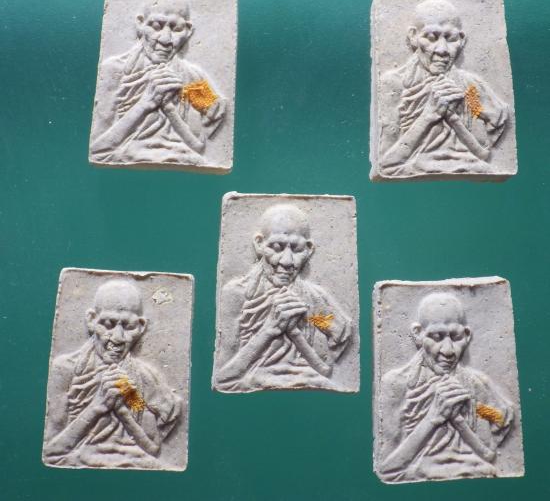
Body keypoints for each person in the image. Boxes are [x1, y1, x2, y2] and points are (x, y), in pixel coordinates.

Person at [43, 280, 181, 469]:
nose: (118, 337)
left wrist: (123, 409)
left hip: (134, 463)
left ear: (141, 327)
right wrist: (97, 406)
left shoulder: (139, 377)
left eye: (128, 326)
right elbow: (51, 451)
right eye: (108, 324)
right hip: (77, 461)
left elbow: (153, 448)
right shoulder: (67, 370)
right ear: (92, 320)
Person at [215, 204, 352, 392]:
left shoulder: (314, 300)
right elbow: (223, 376)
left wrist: (300, 326)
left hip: (307, 382)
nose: (287, 261)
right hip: (252, 383)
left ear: (309, 249)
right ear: (259, 244)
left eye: (296, 249)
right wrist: (269, 329)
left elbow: (326, 365)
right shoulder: (237, 294)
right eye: (276, 247)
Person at [378, 293, 514, 482]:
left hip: (472, 475)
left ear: (467, 336)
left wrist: (467, 414)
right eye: (437, 337)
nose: (448, 350)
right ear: (418, 334)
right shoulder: (396, 384)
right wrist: (433, 418)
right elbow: (386, 467)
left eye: (456, 337)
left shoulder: (475, 384)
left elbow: (493, 439)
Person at [90, 0, 226, 165]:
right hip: (126, 156)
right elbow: (97, 148)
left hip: (181, 158)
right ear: (140, 24)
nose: (166, 39)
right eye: (156, 26)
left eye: (177, 29)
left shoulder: (191, 77)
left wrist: (174, 109)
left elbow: (200, 143)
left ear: (188, 31)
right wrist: (145, 104)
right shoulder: (115, 71)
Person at [379, 0, 509, 176]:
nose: (442, 49)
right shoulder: (394, 84)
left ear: (461, 40)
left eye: (451, 38)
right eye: (431, 38)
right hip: (413, 168)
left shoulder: (470, 88)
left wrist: (452, 117)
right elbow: (386, 163)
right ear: (413, 37)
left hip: (468, 167)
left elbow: (483, 153)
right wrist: (429, 115)